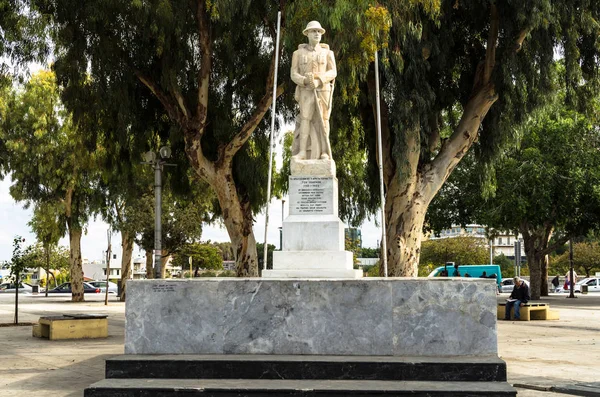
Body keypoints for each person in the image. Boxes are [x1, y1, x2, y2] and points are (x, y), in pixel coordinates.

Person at [291, 21, 337, 160]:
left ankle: (324, 152)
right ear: (307, 34)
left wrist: (319, 81)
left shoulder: (328, 53)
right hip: (305, 90)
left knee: (323, 120)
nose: (317, 33)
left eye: (319, 31)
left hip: (323, 90)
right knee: (305, 119)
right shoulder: (298, 53)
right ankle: (303, 152)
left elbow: (333, 71)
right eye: (313, 31)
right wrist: (305, 81)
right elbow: (293, 74)